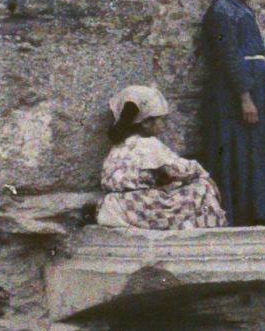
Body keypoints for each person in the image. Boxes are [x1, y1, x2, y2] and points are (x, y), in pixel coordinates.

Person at [200, 0, 265, 226]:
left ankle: (260, 212)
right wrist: (245, 97)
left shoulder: (243, 9)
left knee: (256, 149)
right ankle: (237, 214)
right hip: (235, 89)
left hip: (255, 83)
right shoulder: (222, 10)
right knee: (236, 148)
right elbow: (227, 55)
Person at [96, 84, 228, 230]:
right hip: (140, 206)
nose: (163, 125)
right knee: (203, 187)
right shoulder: (148, 144)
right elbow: (175, 170)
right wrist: (201, 173)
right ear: (146, 122)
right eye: (161, 119)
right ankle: (206, 231)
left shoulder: (119, 146)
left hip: (115, 204)